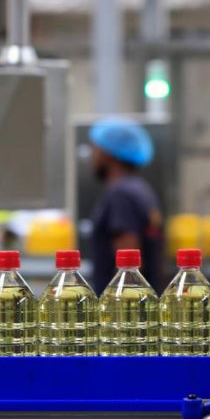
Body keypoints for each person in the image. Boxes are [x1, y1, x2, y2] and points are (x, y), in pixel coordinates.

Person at [89, 117, 164, 294]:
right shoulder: (141, 190)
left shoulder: (120, 195)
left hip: (123, 304)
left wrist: (120, 304)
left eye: (95, 148)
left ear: (108, 153)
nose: (92, 156)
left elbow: (128, 264)